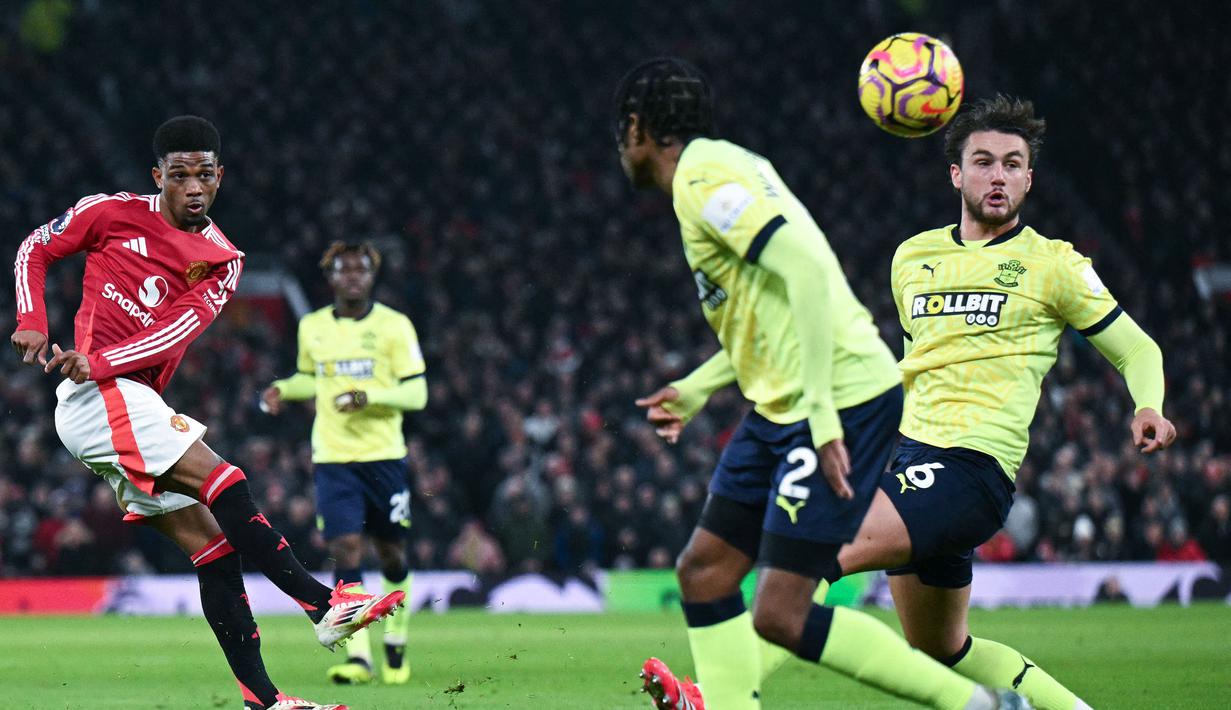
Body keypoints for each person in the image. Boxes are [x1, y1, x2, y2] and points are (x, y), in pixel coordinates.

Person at [616, 59, 1029, 710]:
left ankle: (978, 706)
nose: (622, 150)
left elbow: (807, 270)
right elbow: (775, 315)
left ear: (639, 130)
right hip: (782, 403)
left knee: (780, 613)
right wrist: (698, 387)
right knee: (703, 571)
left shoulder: (701, 179)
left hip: (836, 397)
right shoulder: (731, 165)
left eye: (623, 134)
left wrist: (821, 414)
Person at [10, 116, 405, 710]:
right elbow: (34, 247)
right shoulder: (109, 212)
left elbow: (175, 331)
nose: (193, 187)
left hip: (119, 391)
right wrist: (32, 320)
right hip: (102, 400)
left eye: (204, 175)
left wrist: (102, 360)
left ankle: (264, 700)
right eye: (179, 175)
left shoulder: (222, 259)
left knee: (214, 548)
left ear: (220, 177)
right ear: (158, 177)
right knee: (227, 482)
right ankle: (324, 606)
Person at [828, 95, 1175, 709]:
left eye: (1013, 164)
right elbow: (919, 365)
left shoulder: (1055, 265)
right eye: (983, 162)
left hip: (970, 470)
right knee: (940, 648)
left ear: (1030, 179)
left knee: (814, 548)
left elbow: (1138, 349)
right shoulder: (911, 258)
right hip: (907, 455)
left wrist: (1148, 404)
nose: (999, 176)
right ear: (957, 175)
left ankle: (716, 696)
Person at [262, 241, 427, 685]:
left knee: (391, 552)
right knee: (345, 550)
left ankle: (395, 641)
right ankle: (359, 658)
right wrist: (283, 388)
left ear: (371, 276)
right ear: (330, 277)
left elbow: (417, 393)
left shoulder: (394, 326)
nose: (352, 276)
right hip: (334, 459)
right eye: (342, 270)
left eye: (360, 270)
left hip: (384, 457)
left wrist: (368, 396)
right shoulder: (313, 326)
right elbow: (309, 379)